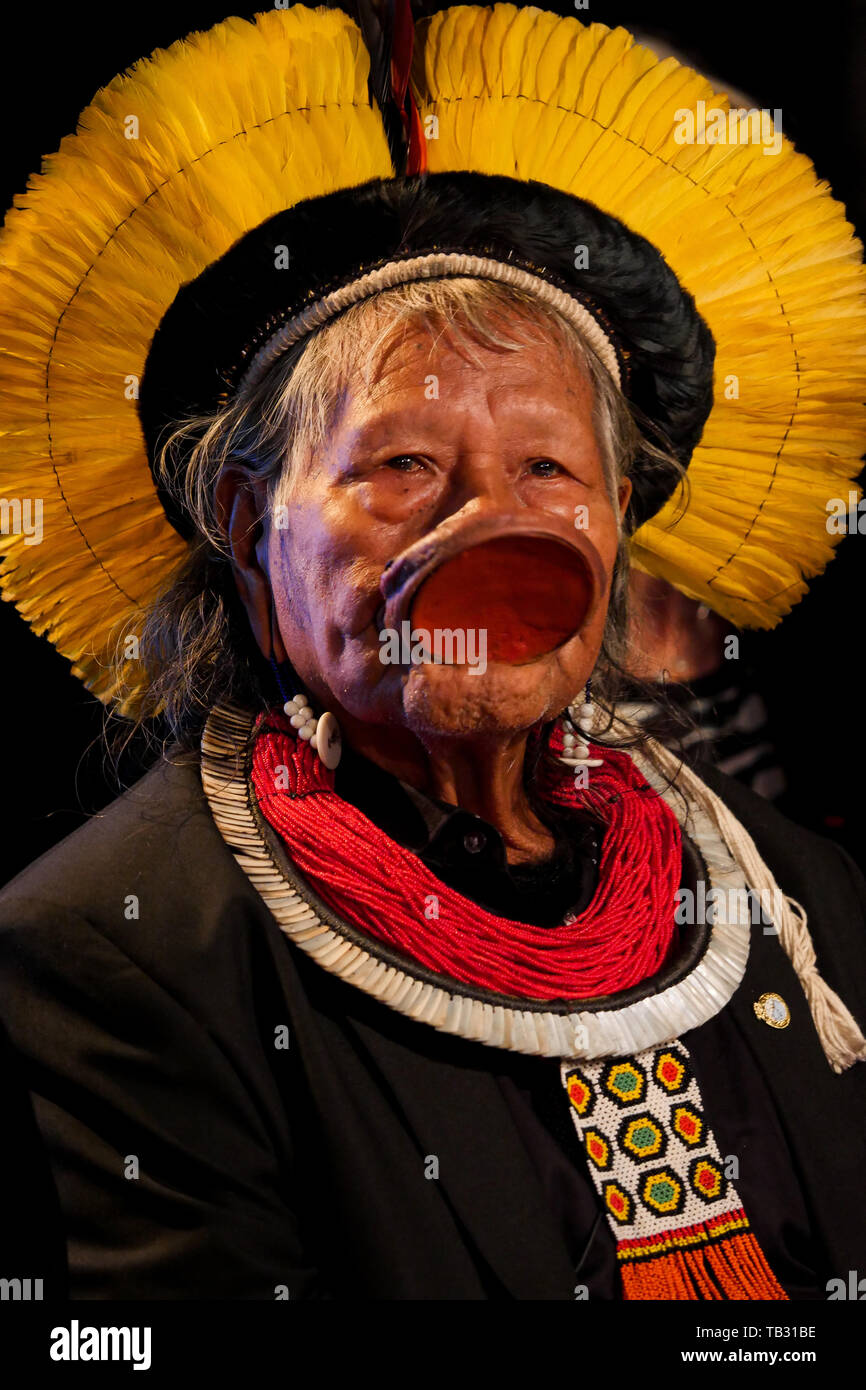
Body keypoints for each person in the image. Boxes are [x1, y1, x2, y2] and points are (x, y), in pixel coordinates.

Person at [1, 2, 865, 1301]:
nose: (495, 522)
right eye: (405, 464)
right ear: (246, 527)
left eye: (545, 466)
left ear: (616, 517)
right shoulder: (117, 948)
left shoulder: (795, 891)